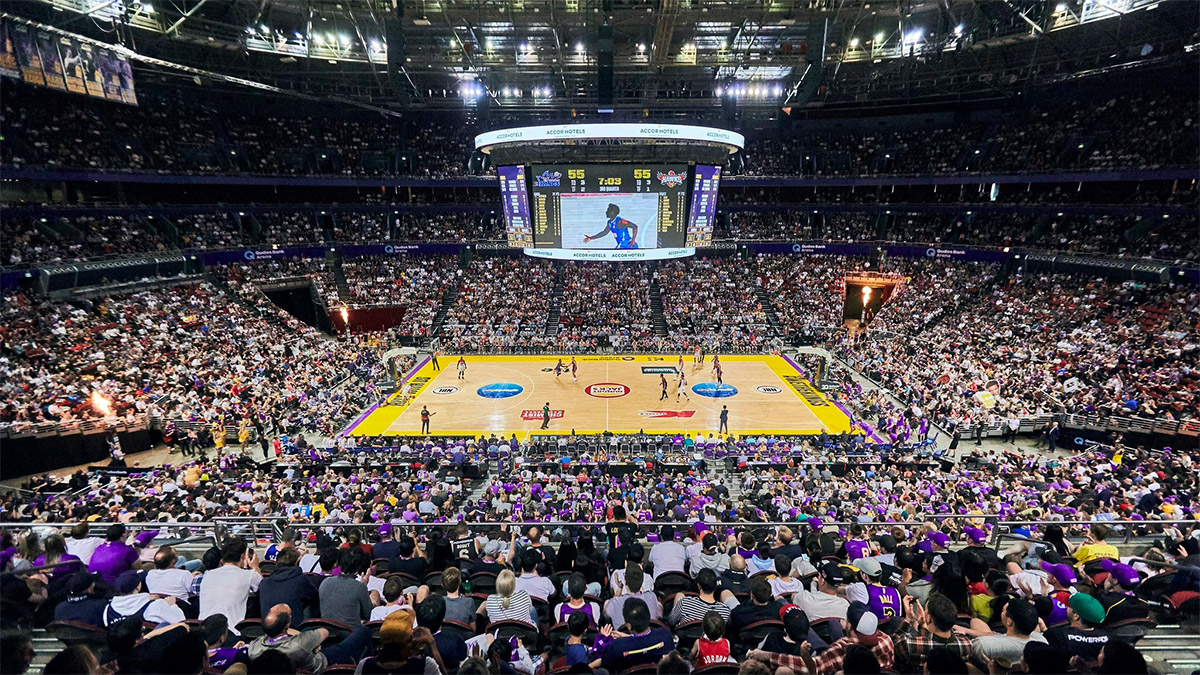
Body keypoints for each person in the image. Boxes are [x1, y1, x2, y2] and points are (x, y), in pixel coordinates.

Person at [246, 603, 373, 673]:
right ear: (287, 625)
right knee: (363, 632)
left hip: (300, 655)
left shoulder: (253, 648)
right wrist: (310, 643)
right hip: (319, 663)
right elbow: (324, 632)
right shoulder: (300, 643)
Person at [894, 593, 973, 673]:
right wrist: (923, 625)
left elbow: (892, 644)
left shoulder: (907, 644)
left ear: (929, 618)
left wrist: (908, 620)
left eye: (926, 610)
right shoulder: (966, 645)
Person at [199, 538, 262, 634]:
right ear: (243, 556)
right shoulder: (250, 575)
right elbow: (266, 589)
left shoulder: (208, 575)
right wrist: (255, 567)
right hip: (230, 632)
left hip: (202, 629)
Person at [968, 598, 1046, 669]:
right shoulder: (1041, 642)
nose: (1002, 612)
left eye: (1003, 610)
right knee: (975, 621)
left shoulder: (983, 645)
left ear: (1009, 622)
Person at [601, 598, 674, 672]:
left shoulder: (617, 646)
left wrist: (604, 641)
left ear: (629, 626)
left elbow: (607, 668)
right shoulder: (666, 635)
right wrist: (629, 637)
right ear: (649, 617)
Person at [257, 547, 318, 628]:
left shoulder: (264, 582)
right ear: (297, 563)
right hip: (294, 629)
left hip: (268, 629)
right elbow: (314, 598)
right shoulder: (301, 580)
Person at [1044, 593, 1111, 665]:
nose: (1066, 608)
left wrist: (1044, 630)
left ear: (1076, 616)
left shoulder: (1057, 635)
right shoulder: (1110, 639)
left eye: (1069, 606)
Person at [104, 570, 186, 628]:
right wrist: (173, 606)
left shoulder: (108, 610)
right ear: (138, 587)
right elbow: (181, 622)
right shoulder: (156, 606)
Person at [319, 547, 376, 628]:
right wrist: (364, 586)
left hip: (328, 631)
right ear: (358, 568)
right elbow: (367, 614)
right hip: (350, 633)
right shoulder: (359, 587)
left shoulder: (325, 582)